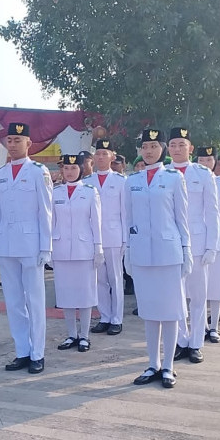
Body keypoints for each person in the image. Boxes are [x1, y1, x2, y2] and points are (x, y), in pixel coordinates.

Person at [125, 128, 189, 389]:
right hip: (142, 253)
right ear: (140, 150)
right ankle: (153, 364)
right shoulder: (133, 181)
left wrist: (187, 251)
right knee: (150, 312)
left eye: (154, 146)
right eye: (145, 147)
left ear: (162, 148)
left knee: (171, 311)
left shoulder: (174, 178)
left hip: (168, 252)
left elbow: (181, 218)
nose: (149, 151)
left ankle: (169, 367)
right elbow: (127, 220)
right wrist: (128, 251)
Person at [0, 122, 53, 374]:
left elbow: (46, 212)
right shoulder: (0, 174)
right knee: (14, 301)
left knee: (35, 301)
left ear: (29, 143)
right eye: (10, 140)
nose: (13, 144)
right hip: (6, 244)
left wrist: (46, 247)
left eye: (18, 140)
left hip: (31, 244)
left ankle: (37, 353)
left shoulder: (39, 172)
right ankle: (22, 351)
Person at [167, 128, 219, 365]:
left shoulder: (203, 173)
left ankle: (196, 342)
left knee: (198, 297)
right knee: (175, 296)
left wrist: (212, 246)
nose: (177, 149)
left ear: (190, 147)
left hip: (198, 243)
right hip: (171, 244)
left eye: (181, 144)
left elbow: (212, 211)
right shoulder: (162, 173)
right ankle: (180, 340)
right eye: (173, 145)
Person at [53, 154, 102, 352]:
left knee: (85, 294)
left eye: (73, 168)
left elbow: (96, 221)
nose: (70, 172)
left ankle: (84, 335)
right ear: (62, 171)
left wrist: (98, 247)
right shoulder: (55, 192)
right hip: (61, 248)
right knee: (65, 294)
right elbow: (51, 222)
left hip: (84, 249)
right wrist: (48, 248)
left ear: (80, 170)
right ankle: (71, 334)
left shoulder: (90, 192)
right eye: (66, 168)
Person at [85, 139, 127, 335]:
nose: (101, 157)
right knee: (99, 279)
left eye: (105, 153)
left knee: (116, 278)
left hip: (114, 236)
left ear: (112, 156)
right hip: (93, 238)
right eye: (98, 153)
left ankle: (116, 318)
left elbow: (125, 212)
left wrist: (126, 240)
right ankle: (104, 316)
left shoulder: (120, 181)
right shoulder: (86, 183)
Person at [196, 148, 220, 342]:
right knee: (197, 289)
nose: (205, 163)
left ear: (214, 162)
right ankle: (202, 326)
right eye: (201, 159)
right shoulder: (187, 179)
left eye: (209, 160)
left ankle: (214, 326)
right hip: (198, 240)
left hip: (218, 241)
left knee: (217, 287)